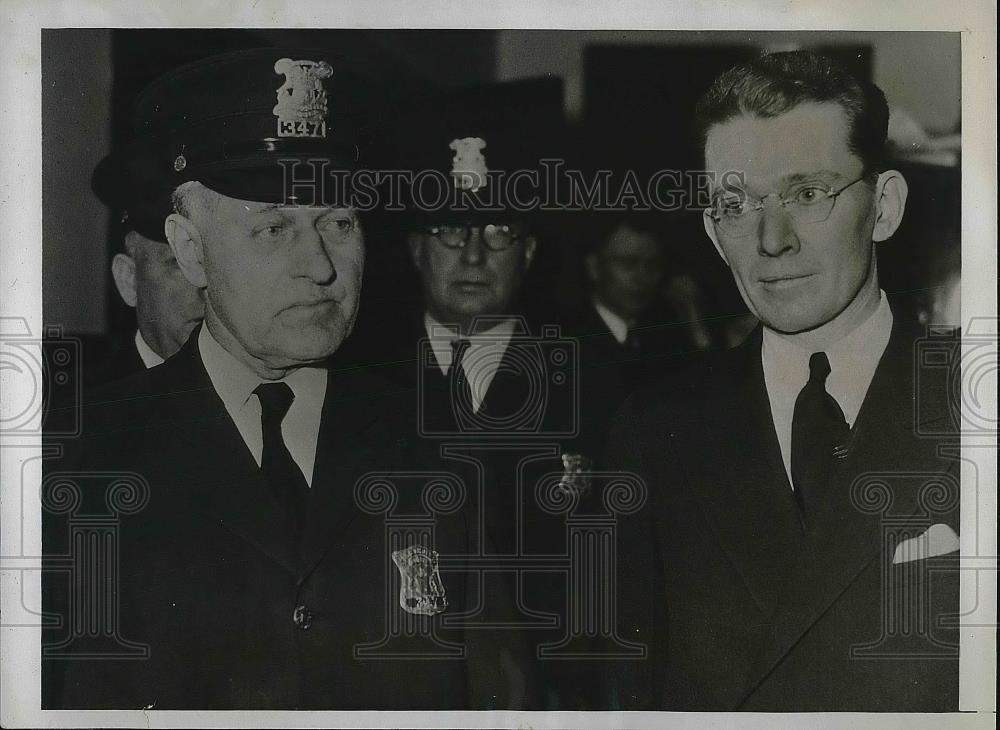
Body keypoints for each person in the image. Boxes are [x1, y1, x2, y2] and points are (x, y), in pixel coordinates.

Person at [42, 48, 521, 710]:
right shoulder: (79, 457)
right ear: (189, 250)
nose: (319, 266)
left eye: (338, 223)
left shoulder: (442, 444)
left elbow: (500, 697)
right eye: (272, 229)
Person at [605, 50, 960, 711]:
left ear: (883, 207)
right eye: (736, 204)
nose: (771, 239)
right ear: (714, 232)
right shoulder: (655, 432)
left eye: (806, 193)